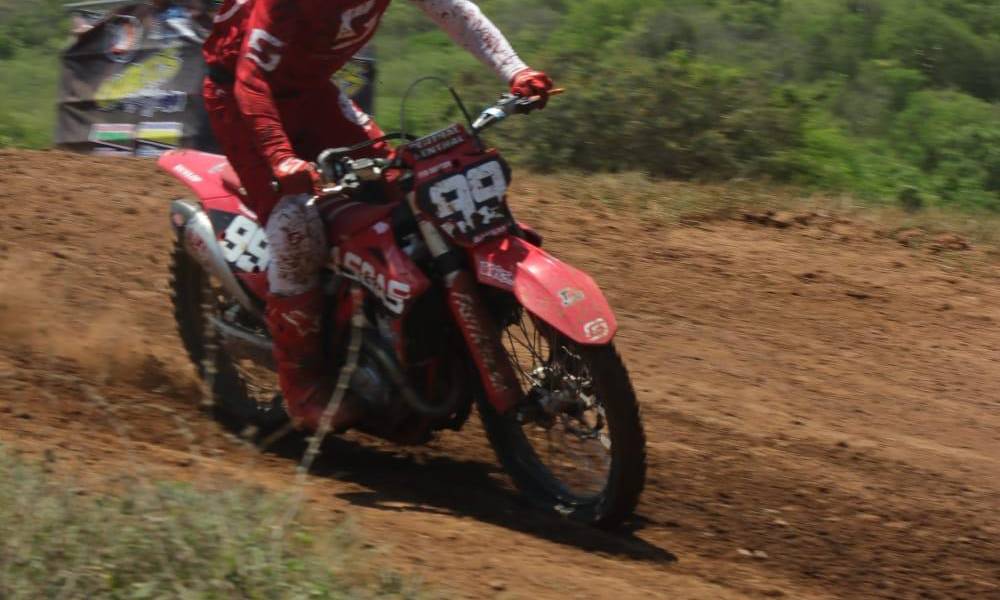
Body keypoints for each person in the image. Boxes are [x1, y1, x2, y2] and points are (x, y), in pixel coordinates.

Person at [202, 0, 554, 431]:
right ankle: (303, 384)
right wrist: (280, 156)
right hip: (240, 100)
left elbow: (454, 11)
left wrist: (515, 70)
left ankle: (392, 324)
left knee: (397, 187)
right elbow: (251, 79)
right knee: (296, 224)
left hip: (313, 92)